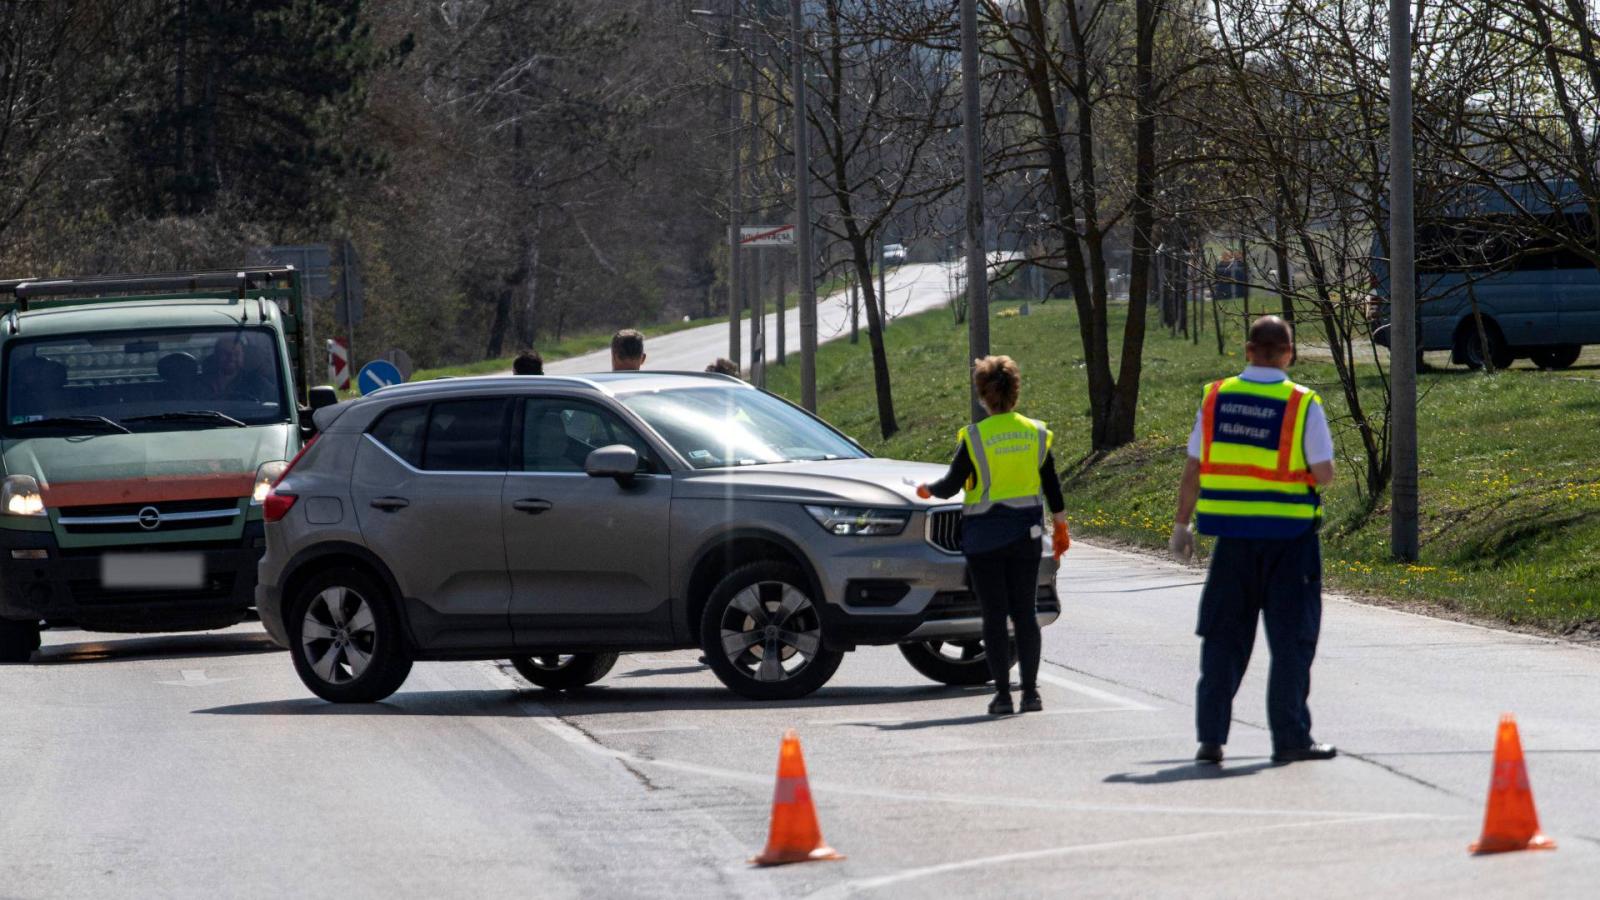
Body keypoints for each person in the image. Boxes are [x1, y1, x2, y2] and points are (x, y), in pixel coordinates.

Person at [1170, 315, 1337, 765]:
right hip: (1290, 542)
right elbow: (1323, 474)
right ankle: (1290, 739)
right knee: (1291, 642)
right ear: (1289, 353)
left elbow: (1193, 469)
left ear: (1247, 350)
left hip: (1232, 544)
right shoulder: (1302, 403)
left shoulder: (1216, 398)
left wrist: (1181, 525)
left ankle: (1211, 738)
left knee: (1223, 640)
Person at [918, 355, 1070, 716]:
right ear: (1015, 391)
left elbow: (950, 485)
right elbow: (1052, 486)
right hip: (1025, 537)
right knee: (1025, 614)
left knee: (994, 617)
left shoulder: (975, 437)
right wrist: (1061, 527)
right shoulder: (1035, 434)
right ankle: (1031, 694)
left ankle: (1002, 696)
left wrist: (926, 490)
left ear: (983, 395)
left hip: (984, 542)